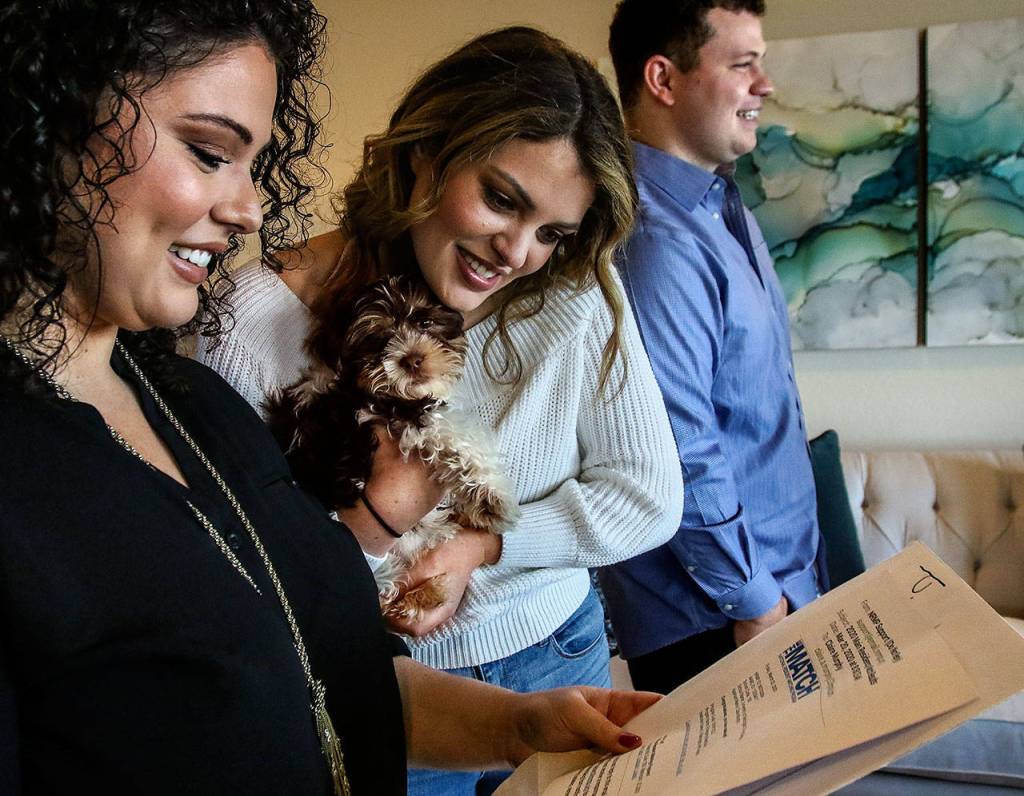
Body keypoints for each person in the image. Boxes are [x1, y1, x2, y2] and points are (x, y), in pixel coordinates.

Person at [0, 3, 665, 793]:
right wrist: (384, 519)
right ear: (50, 116)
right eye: (209, 153)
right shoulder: (218, 351)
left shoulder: (189, 404)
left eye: (553, 233)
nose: (248, 210)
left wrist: (512, 724)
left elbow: (323, 661)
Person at [196, 25, 684, 795]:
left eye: (552, 232)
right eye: (501, 200)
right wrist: (380, 531)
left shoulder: (575, 290)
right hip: (393, 704)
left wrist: (480, 547)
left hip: (562, 653)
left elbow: (649, 498)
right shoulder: (253, 322)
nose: (516, 253)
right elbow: (250, 586)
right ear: (426, 150)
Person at [599, 0, 830, 695]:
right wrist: (755, 600)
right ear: (664, 80)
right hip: (722, 620)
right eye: (742, 65)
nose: (765, 84)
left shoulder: (722, 208)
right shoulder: (656, 239)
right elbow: (679, 445)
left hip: (774, 591)